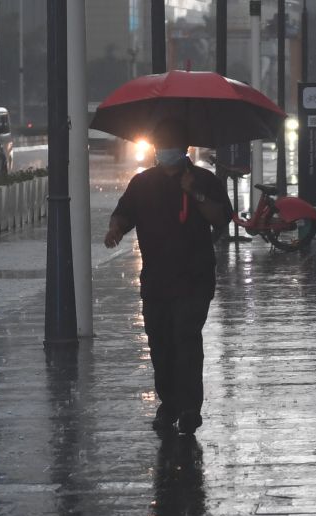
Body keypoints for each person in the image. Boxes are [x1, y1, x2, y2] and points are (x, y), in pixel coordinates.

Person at [103, 118, 231, 436]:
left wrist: (197, 195)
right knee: (161, 343)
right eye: (161, 147)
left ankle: (189, 408)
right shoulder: (143, 182)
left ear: (184, 149)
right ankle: (169, 404)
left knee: (186, 339)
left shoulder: (203, 179)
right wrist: (116, 228)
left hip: (194, 278)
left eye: (170, 146)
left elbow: (222, 218)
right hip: (157, 280)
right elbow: (125, 212)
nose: (165, 152)